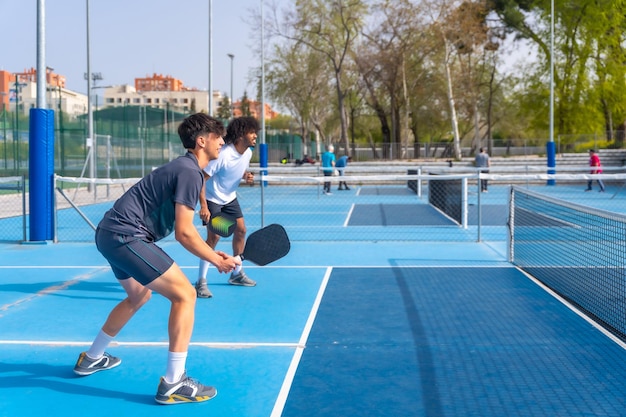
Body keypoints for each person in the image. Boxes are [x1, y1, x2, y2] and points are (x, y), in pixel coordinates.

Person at [73, 113, 241, 405]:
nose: (223, 142)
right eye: (218, 138)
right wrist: (216, 259)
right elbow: (184, 233)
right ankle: (174, 382)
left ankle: (92, 357)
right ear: (202, 141)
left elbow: (188, 229)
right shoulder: (189, 171)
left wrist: (214, 252)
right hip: (126, 236)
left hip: (108, 233)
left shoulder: (187, 169)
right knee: (186, 295)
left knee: (138, 297)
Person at [195, 116, 258, 298]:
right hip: (213, 199)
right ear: (240, 135)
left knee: (241, 230)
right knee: (214, 237)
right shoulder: (223, 155)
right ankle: (201, 282)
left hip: (230, 199)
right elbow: (201, 178)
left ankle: (236, 273)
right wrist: (204, 206)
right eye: (251, 132)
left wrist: (246, 175)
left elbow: (235, 170)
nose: (255, 136)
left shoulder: (247, 153)